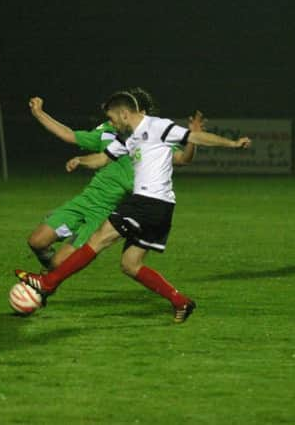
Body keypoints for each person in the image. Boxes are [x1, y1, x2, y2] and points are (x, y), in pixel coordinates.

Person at [16, 90, 251, 323]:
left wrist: (232, 143)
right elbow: (103, 158)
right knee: (130, 265)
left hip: (147, 202)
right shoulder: (128, 138)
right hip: (161, 208)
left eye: (113, 119)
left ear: (125, 114)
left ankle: (47, 283)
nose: (111, 124)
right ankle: (181, 302)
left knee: (98, 239)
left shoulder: (158, 126)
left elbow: (195, 138)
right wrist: (81, 161)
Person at [27, 89, 201, 270]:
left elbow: (182, 159)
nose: (114, 120)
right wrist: (39, 113)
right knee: (36, 241)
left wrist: (192, 139)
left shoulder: (153, 138)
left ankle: (46, 282)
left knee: (59, 263)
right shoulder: (108, 130)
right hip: (86, 200)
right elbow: (70, 135)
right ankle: (49, 274)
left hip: (106, 213)